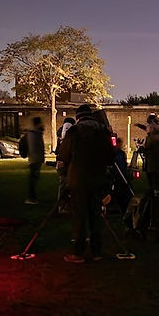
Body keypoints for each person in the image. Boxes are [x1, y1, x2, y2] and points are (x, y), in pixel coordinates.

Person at [58, 104, 115, 263]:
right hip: (98, 179)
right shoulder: (103, 132)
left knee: (79, 216)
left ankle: (78, 252)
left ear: (78, 117)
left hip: (78, 180)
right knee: (96, 215)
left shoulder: (74, 132)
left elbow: (63, 154)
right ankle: (97, 251)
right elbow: (111, 157)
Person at [54, 117, 76, 213]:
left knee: (63, 185)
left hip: (61, 163)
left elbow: (58, 150)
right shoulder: (71, 132)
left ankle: (62, 206)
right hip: (67, 163)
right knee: (67, 185)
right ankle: (64, 206)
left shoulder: (60, 133)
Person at [24, 116, 45, 205]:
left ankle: (32, 197)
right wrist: (37, 158)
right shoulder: (33, 134)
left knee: (34, 178)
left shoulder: (36, 132)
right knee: (33, 179)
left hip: (35, 159)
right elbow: (34, 148)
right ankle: (31, 198)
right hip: (35, 160)